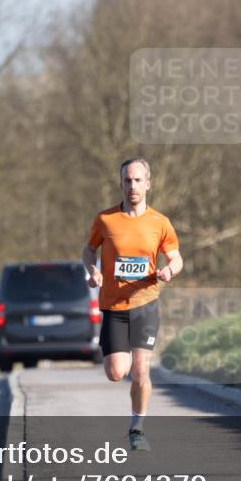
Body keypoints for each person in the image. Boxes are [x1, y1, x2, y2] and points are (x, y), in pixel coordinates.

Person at [82, 158, 183, 451]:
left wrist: (169, 270)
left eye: (138, 180)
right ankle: (122, 364)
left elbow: (176, 257)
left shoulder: (160, 222)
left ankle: (137, 429)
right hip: (114, 306)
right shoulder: (106, 219)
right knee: (116, 372)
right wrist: (93, 270)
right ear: (121, 184)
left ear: (148, 184)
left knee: (141, 371)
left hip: (145, 303)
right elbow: (89, 250)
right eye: (127, 180)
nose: (133, 186)